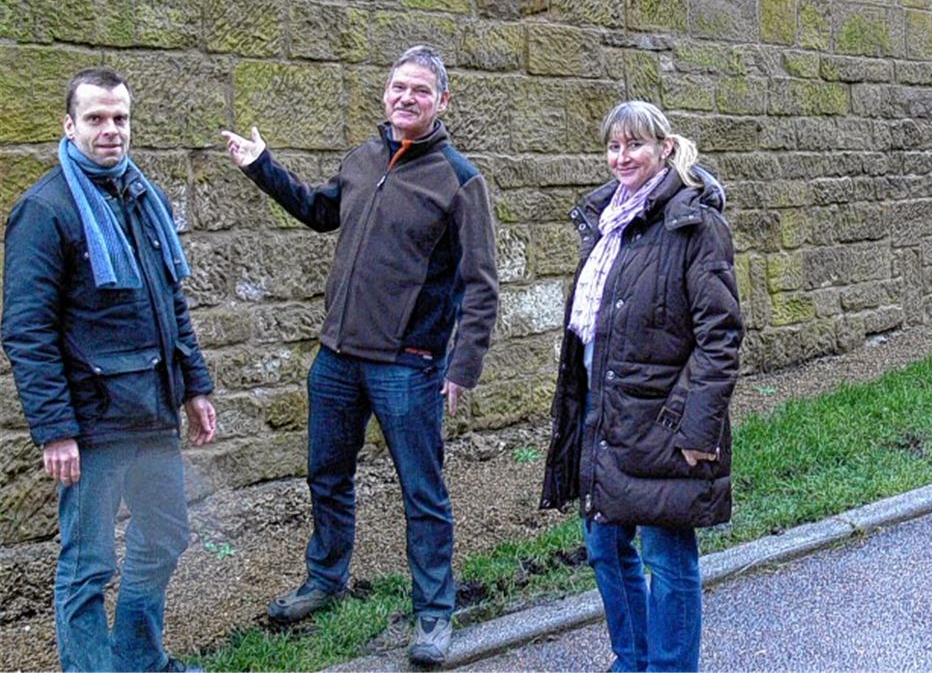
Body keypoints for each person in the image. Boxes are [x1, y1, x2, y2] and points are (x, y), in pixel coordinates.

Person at [220, 44, 498, 667]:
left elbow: (482, 283)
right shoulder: (362, 158)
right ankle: (325, 579)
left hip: (409, 364)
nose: (406, 97)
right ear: (385, 93)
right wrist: (263, 165)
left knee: (422, 492)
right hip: (337, 359)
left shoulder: (460, 180)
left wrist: (463, 365)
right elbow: (321, 213)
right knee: (327, 475)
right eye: (398, 86)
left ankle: (433, 614)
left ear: (442, 102)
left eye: (420, 91)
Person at [1, 67, 218, 673]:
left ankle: (140, 660)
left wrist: (196, 385)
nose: (110, 130)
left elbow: (171, 302)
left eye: (120, 118)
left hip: (153, 411)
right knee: (87, 566)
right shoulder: (45, 210)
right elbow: (27, 332)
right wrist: (55, 430)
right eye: (95, 118)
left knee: (167, 536)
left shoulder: (143, 196)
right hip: (92, 426)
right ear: (69, 127)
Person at [541, 100, 742, 672]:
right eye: (613, 146)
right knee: (605, 545)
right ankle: (633, 660)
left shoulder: (694, 223)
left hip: (664, 420)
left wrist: (696, 430)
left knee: (667, 556)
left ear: (665, 148)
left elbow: (720, 335)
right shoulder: (607, 218)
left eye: (635, 145)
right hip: (603, 412)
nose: (622, 156)